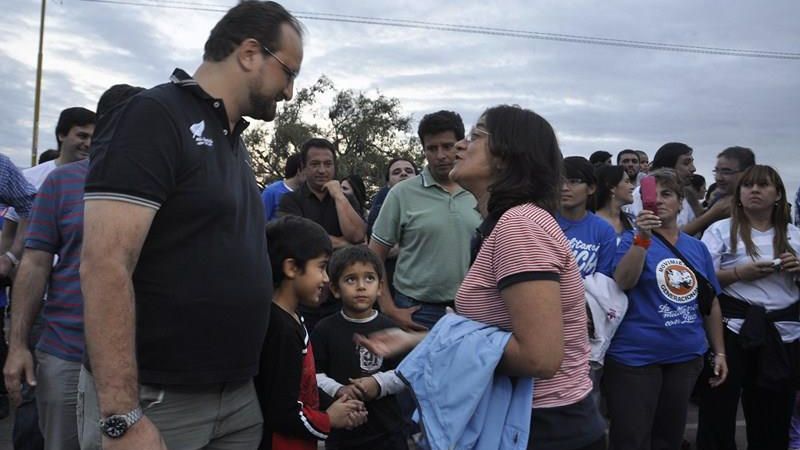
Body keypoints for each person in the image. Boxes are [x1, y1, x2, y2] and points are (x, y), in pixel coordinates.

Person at [78, 2, 303, 449]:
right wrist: (122, 415)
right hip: (159, 400)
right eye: (288, 72)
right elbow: (104, 264)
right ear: (250, 53)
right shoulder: (156, 115)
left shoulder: (232, 141)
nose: (290, 92)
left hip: (236, 397)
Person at [361, 105, 606, 449]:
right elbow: (495, 336)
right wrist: (421, 341)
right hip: (520, 419)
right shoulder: (506, 224)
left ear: (506, 157)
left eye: (475, 136)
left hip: (545, 426)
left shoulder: (520, 226)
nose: (460, 146)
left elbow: (540, 357)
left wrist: (441, 346)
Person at [2, 84, 142, 450]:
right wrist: (18, 345)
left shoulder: (164, 186)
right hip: (66, 355)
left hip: (139, 361)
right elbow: (35, 264)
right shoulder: (61, 183)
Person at [604, 168, 728, 450]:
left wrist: (719, 351)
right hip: (635, 358)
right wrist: (642, 239)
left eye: (667, 194)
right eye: (652, 195)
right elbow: (623, 281)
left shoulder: (697, 248)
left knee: (669, 438)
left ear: (681, 202)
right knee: (631, 438)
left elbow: (711, 302)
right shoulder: (630, 240)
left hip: (685, 356)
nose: (658, 200)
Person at [697, 165, 800, 450]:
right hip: (731, 329)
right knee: (718, 410)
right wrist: (738, 274)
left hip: (782, 334)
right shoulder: (720, 231)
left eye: (763, 185)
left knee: (773, 415)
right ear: (739, 194)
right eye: (748, 185)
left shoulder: (794, 235)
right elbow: (701, 279)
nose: (754, 190)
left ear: (778, 195)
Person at [256, 216, 367, 450]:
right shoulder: (280, 330)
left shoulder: (293, 317)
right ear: (292, 268)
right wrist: (329, 419)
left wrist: (336, 403)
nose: (326, 278)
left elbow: (300, 387)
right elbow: (281, 412)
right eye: (321, 267)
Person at [369, 110, 480, 331]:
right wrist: (388, 308)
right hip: (416, 311)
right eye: (432, 148)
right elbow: (374, 255)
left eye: (447, 146)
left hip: (470, 311)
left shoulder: (479, 191)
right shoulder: (401, 194)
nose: (440, 155)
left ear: (461, 145)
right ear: (424, 150)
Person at [312, 245, 407, 450]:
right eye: (350, 280)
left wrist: (377, 384)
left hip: (387, 431)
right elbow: (314, 374)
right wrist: (339, 389)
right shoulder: (324, 329)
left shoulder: (390, 329)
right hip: (343, 433)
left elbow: (405, 373)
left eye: (369, 278)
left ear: (380, 286)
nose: (361, 286)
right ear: (335, 289)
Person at [278, 138, 366, 248]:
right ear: (303, 167)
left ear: (334, 167)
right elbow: (299, 238)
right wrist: (345, 243)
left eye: (328, 164)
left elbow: (358, 236)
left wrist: (339, 196)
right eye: (315, 164)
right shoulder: (290, 200)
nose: (322, 170)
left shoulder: (346, 199)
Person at [558, 156, 617, 279]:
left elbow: (603, 278)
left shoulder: (604, 231)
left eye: (573, 181)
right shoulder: (541, 222)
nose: (564, 188)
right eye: (560, 181)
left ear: (591, 188)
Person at [683, 146, 755, 237]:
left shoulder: (753, 204)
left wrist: (713, 213)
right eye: (716, 171)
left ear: (747, 173)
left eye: (726, 172)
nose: (718, 178)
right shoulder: (720, 197)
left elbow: (676, 238)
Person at [628, 142, 697, 229]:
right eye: (686, 163)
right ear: (668, 167)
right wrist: (710, 215)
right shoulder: (642, 192)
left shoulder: (687, 195)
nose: (693, 169)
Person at [365, 157, 418, 239]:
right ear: (388, 184)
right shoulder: (380, 212)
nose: (403, 173)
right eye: (396, 172)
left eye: (409, 171)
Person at [592, 165, 635, 237]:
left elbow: (641, 244)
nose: (632, 187)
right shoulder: (590, 223)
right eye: (627, 182)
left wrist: (644, 236)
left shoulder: (631, 220)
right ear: (612, 187)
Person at [262, 152, 304, 221]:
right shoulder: (271, 192)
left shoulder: (307, 195)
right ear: (299, 171)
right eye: (308, 169)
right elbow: (259, 221)